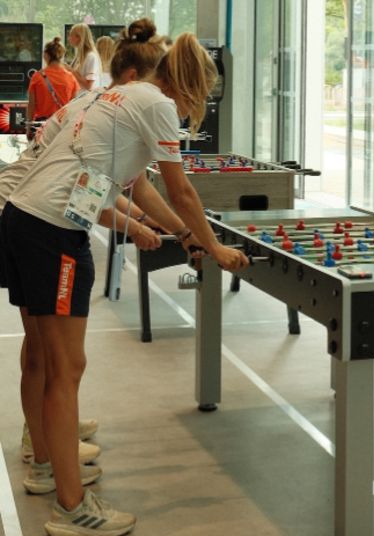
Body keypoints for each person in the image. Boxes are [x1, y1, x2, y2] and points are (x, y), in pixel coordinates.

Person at [2, 26, 248, 536]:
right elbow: (179, 191)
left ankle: (50, 463)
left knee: (48, 360)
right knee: (67, 369)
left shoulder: (107, 97)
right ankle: (73, 509)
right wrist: (215, 246)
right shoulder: (156, 104)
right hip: (53, 232)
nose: (187, 116)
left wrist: (185, 236)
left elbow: (134, 185)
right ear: (188, 89)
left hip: (24, 221)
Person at [26, 37, 79, 139]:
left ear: (46, 55)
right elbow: (74, 106)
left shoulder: (37, 76)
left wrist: (29, 127)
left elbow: (31, 105)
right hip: (62, 126)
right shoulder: (71, 77)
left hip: (42, 126)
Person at [67, 23, 101, 91]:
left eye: (71, 35)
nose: (69, 38)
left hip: (86, 99)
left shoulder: (91, 57)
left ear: (79, 37)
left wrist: (71, 71)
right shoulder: (79, 56)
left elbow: (89, 85)